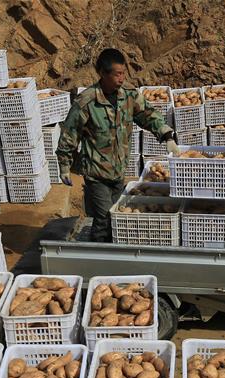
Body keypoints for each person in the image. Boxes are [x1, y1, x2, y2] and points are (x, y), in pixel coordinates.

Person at [57, 48, 177, 242]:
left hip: (119, 170)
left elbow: (147, 115)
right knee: (104, 218)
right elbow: (69, 135)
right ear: (103, 74)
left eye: (123, 73)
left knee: (117, 218)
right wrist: (64, 165)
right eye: (117, 74)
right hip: (96, 173)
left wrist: (165, 133)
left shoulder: (128, 95)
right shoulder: (87, 102)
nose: (121, 79)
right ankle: (98, 256)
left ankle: (110, 252)